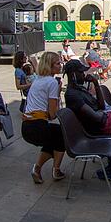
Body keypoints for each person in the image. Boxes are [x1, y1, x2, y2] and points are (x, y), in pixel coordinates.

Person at [21, 51, 66, 184]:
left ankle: (38, 169)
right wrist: (57, 94)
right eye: (58, 63)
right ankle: (55, 169)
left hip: (27, 126)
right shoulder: (52, 82)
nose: (61, 65)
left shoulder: (37, 80)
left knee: (53, 139)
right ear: (50, 66)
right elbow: (52, 114)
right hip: (37, 125)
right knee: (61, 137)